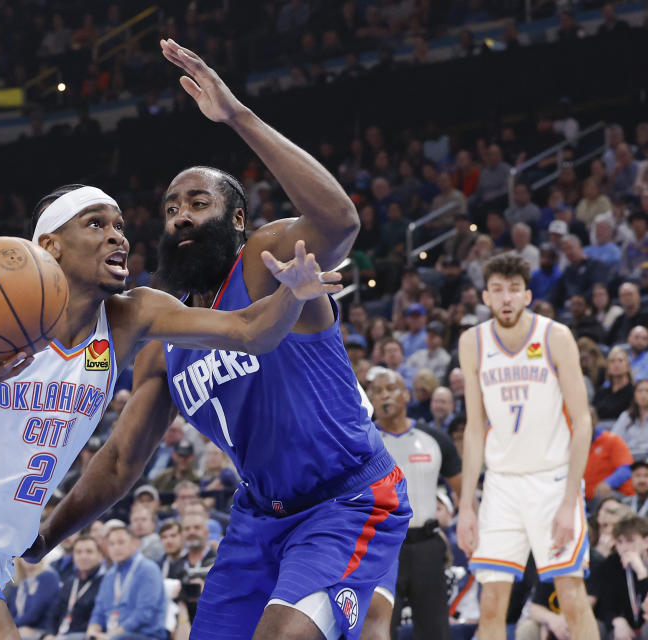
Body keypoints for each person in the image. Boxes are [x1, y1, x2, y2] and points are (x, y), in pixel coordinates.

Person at [30, 39, 410, 640]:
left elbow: (340, 222)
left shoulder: (263, 260)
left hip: (346, 499)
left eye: (198, 203)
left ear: (236, 220)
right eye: (171, 207)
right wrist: (46, 535)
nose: (179, 215)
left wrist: (239, 117)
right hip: (259, 518)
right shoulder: (164, 331)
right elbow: (123, 460)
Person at [0, 177, 340, 639]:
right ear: (50, 245)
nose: (117, 234)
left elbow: (249, 331)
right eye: (95, 224)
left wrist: (289, 294)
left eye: (119, 225)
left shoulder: (130, 315)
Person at [456, 253, 599, 639]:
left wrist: (571, 499)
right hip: (501, 485)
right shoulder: (472, 342)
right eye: (498, 290)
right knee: (490, 604)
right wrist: (467, 504)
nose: (506, 298)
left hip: (551, 483)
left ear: (528, 295)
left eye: (514, 290)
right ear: (485, 296)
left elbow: (583, 420)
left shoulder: (555, 336)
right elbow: (474, 428)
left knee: (571, 596)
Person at [364, 368, 462, 640]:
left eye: (390, 388)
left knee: (435, 630)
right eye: (376, 391)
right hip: (379, 546)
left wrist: (455, 512)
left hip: (426, 545)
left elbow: (463, 489)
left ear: (406, 394)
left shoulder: (434, 439)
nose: (384, 395)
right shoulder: (362, 441)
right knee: (377, 629)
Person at [85, 526, 165, 640]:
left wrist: (111, 635)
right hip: (112, 634)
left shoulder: (148, 569)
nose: (116, 548)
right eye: (111, 544)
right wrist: (92, 630)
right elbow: (99, 610)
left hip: (144, 635)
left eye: (121, 542)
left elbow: (144, 613)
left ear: (135, 543)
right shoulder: (110, 574)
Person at [595, 515, 648, 638]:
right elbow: (605, 605)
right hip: (627, 627)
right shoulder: (612, 563)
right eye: (619, 542)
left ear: (646, 542)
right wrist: (617, 620)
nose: (624, 548)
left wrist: (642, 573)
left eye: (630, 541)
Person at [45, 535, 104, 640]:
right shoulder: (70, 582)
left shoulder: (104, 582)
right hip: (60, 635)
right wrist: (49, 634)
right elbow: (54, 614)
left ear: (100, 555)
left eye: (89, 551)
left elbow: (99, 618)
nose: (83, 556)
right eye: (78, 552)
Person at [612, 379, 648, 459]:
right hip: (627, 457)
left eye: (647, 391)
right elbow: (614, 439)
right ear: (634, 395)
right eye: (640, 391)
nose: (643, 395)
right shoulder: (626, 416)